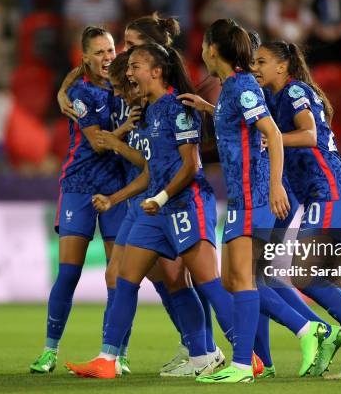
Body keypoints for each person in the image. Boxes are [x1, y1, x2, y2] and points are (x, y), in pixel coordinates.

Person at [65, 43, 233, 379]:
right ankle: (108, 359)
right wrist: (116, 198)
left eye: (135, 66)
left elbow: (191, 165)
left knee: (209, 284)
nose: (128, 72)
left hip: (186, 204)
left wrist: (161, 197)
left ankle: (247, 354)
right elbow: (150, 171)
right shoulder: (149, 112)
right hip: (156, 211)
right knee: (125, 278)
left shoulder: (178, 108)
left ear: (156, 71)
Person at [180, 19, 326, 384]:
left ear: (213, 50)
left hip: (254, 193)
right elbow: (238, 127)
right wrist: (208, 108)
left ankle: (247, 363)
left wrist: (276, 185)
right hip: (241, 195)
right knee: (234, 279)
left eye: (203, 47)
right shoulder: (232, 88)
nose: (201, 53)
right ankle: (299, 333)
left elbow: (273, 134)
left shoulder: (243, 86)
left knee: (243, 279)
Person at [251, 40, 341, 379]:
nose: (255, 67)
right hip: (320, 193)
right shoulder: (271, 97)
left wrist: (275, 139)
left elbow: (310, 134)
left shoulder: (294, 92)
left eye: (262, 61)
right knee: (333, 277)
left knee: (306, 274)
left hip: (328, 189)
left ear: (283, 66)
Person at [29, 26, 125, 373]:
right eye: (99, 52)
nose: (107, 58)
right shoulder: (81, 94)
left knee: (118, 276)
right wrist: (129, 124)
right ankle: (49, 350)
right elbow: (99, 143)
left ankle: (115, 353)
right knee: (69, 272)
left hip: (117, 189)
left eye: (110, 50)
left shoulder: (125, 86)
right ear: (84, 57)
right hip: (80, 186)